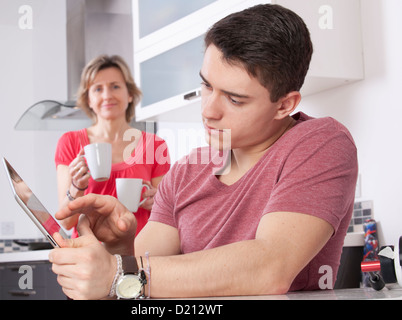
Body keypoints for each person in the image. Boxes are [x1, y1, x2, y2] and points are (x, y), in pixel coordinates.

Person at [49, 4, 358, 299]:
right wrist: (119, 247)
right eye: (207, 87)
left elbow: (270, 269)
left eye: (234, 99)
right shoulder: (185, 172)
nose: (209, 111)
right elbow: (137, 273)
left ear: (285, 105)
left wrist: (117, 272)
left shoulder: (321, 143)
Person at [54, 55, 170, 238]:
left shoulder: (155, 145)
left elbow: (167, 218)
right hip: (91, 257)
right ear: (89, 99)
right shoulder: (70, 142)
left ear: (129, 94)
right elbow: (66, 222)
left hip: (137, 256)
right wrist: (76, 186)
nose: (107, 95)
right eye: (98, 89)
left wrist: (161, 202)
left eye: (115, 86)